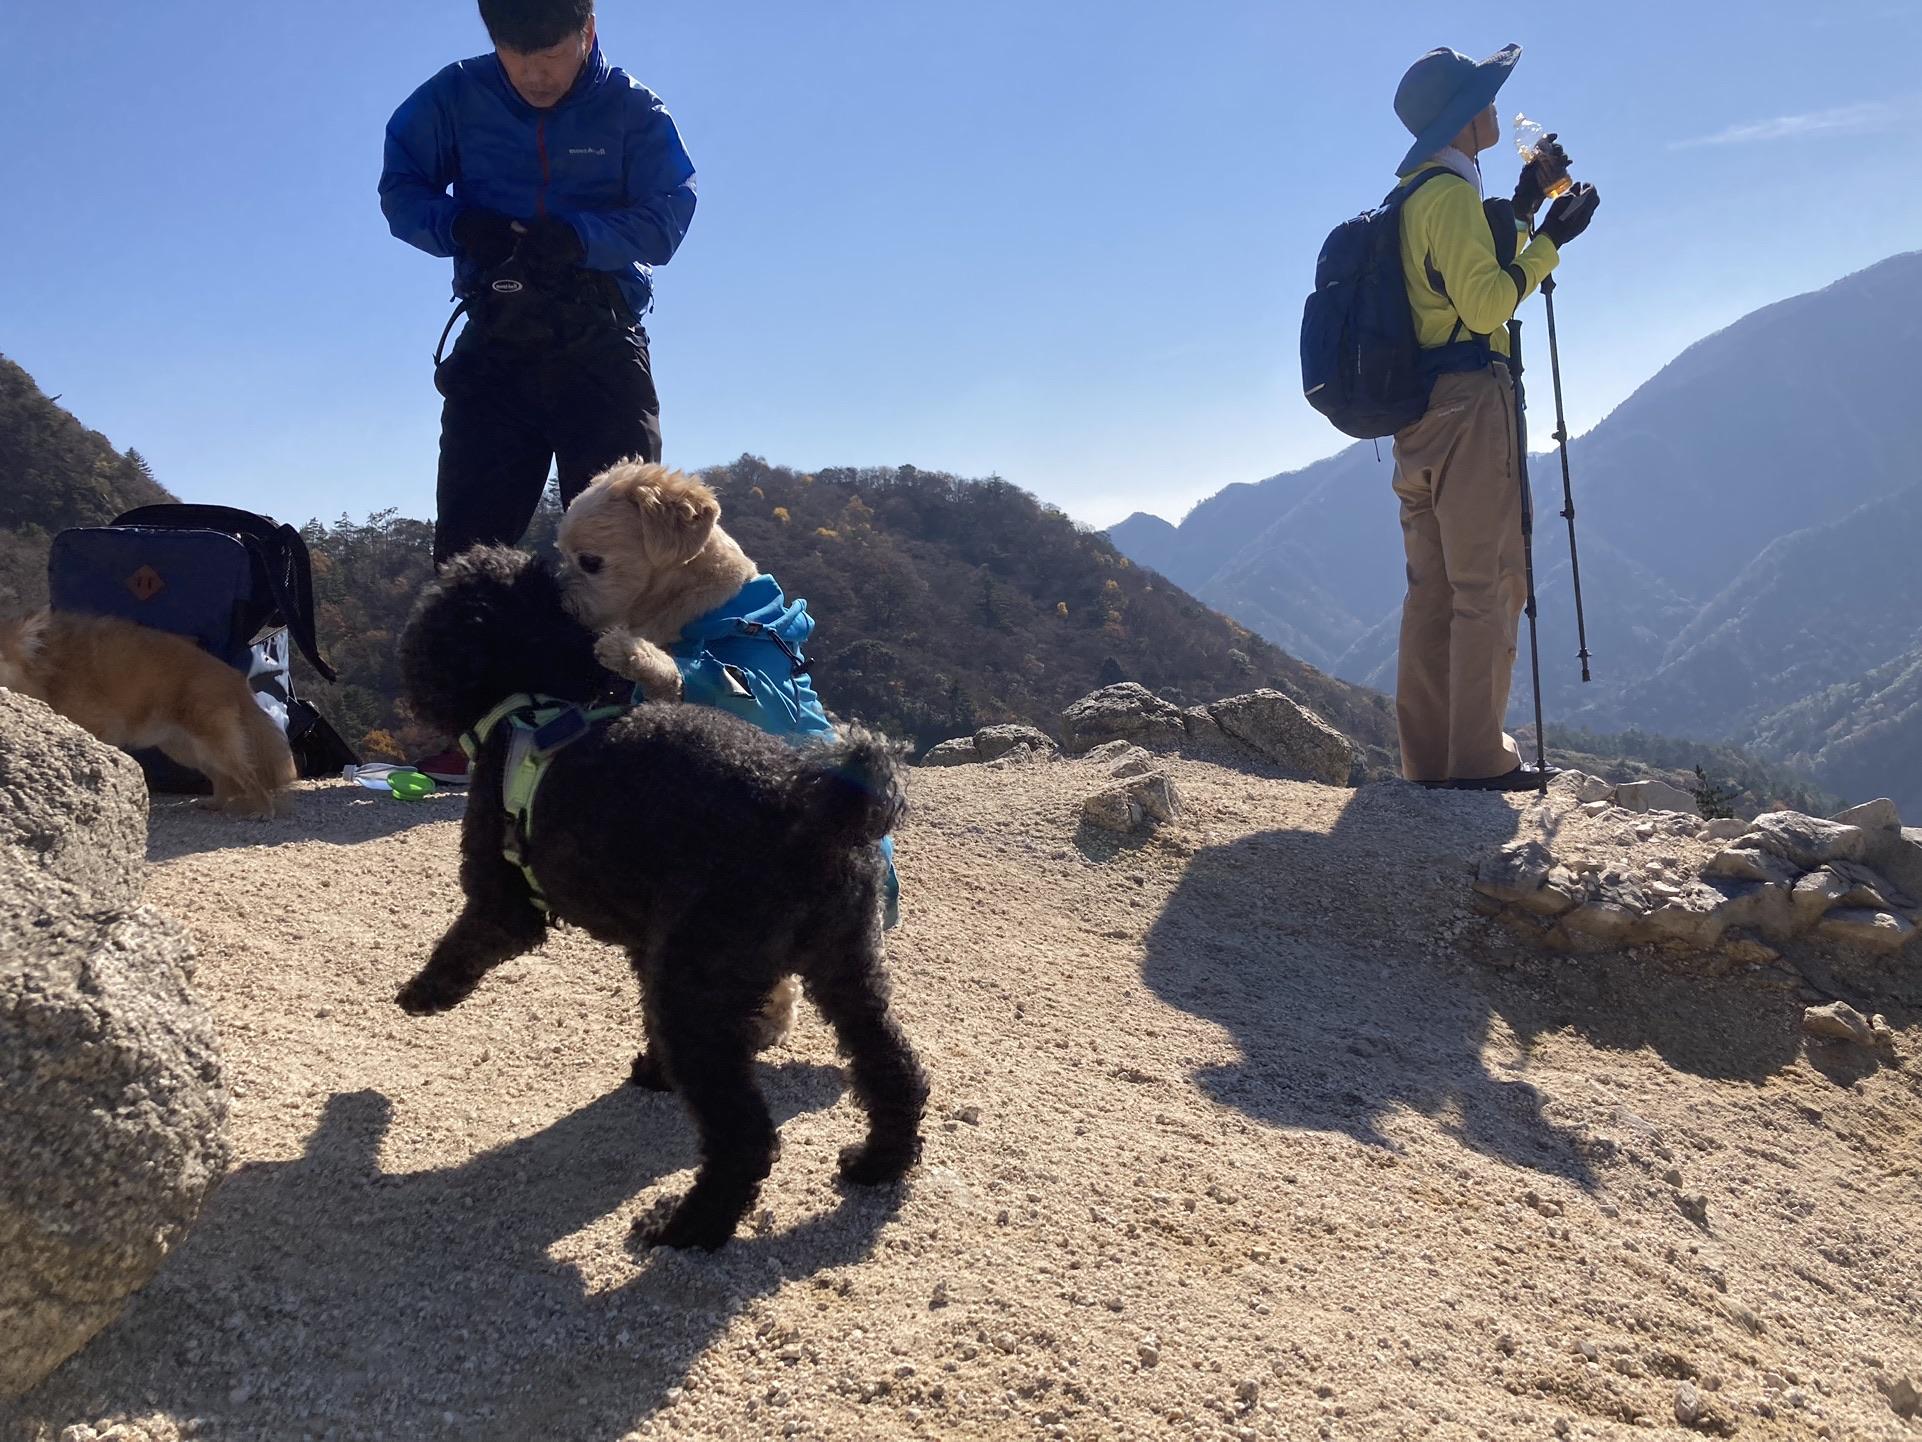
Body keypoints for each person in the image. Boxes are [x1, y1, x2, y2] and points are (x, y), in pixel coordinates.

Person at [380, 0, 696, 781]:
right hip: (499, 343)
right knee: (470, 546)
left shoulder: (632, 109)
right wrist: (459, 227)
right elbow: (401, 189)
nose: (538, 75)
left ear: (587, 30)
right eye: (519, 60)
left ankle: (620, 723)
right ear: (494, 43)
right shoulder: (452, 98)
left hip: (601, 341)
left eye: (553, 54)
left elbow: (669, 214)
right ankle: (475, 732)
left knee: (629, 537)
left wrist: (582, 238)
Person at [1386, 44, 1598, 791]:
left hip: (1419, 420)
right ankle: (1477, 761)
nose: (1496, 109)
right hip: (1473, 407)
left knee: (1434, 589)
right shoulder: (1445, 196)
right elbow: (1483, 303)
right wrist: (1551, 245)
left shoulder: (1417, 195)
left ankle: (1430, 762)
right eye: (1484, 98)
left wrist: (1523, 200)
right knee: (1491, 581)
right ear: (1461, 116)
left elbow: (1460, 275)